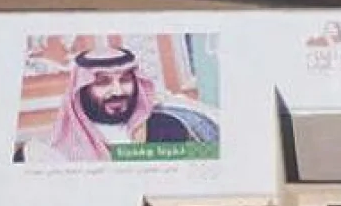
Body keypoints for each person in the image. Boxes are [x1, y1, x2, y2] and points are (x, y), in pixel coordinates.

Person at [23, 45, 206, 162]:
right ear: (82, 89)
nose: (118, 91)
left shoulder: (167, 128)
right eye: (103, 82)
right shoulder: (55, 150)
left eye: (125, 80)